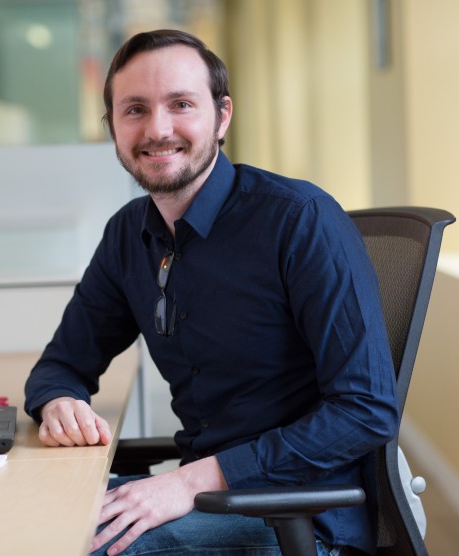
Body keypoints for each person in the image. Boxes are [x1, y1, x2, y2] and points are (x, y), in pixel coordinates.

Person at [24, 29, 398, 556]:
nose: (158, 129)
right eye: (134, 109)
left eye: (181, 104)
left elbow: (366, 410)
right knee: (19, 516)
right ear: (112, 127)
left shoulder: (299, 220)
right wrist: (59, 400)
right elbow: (61, 364)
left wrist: (186, 483)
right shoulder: (128, 235)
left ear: (222, 116)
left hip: (297, 517)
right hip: (202, 501)